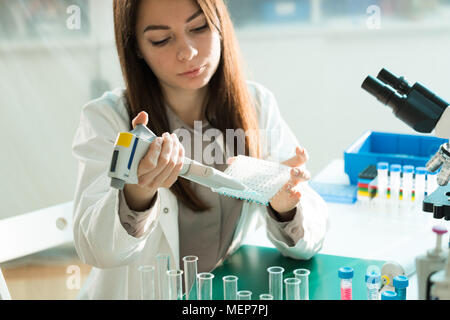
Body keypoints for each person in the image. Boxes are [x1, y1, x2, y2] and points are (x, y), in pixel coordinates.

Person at [72, 0, 328, 299]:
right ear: (137, 47)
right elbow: (96, 250)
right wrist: (137, 193)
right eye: (162, 39)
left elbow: (311, 241)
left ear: (220, 22)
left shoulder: (256, 105)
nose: (188, 52)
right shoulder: (108, 119)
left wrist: (285, 207)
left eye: (199, 27)